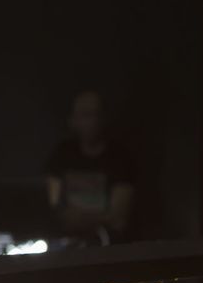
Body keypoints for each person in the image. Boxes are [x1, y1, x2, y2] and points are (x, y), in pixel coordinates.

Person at [44, 90, 136, 243]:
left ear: (104, 118)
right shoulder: (62, 155)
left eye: (94, 114)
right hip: (65, 242)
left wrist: (86, 219)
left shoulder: (120, 159)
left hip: (108, 244)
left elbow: (118, 216)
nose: (91, 121)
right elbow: (53, 203)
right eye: (84, 115)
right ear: (72, 120)